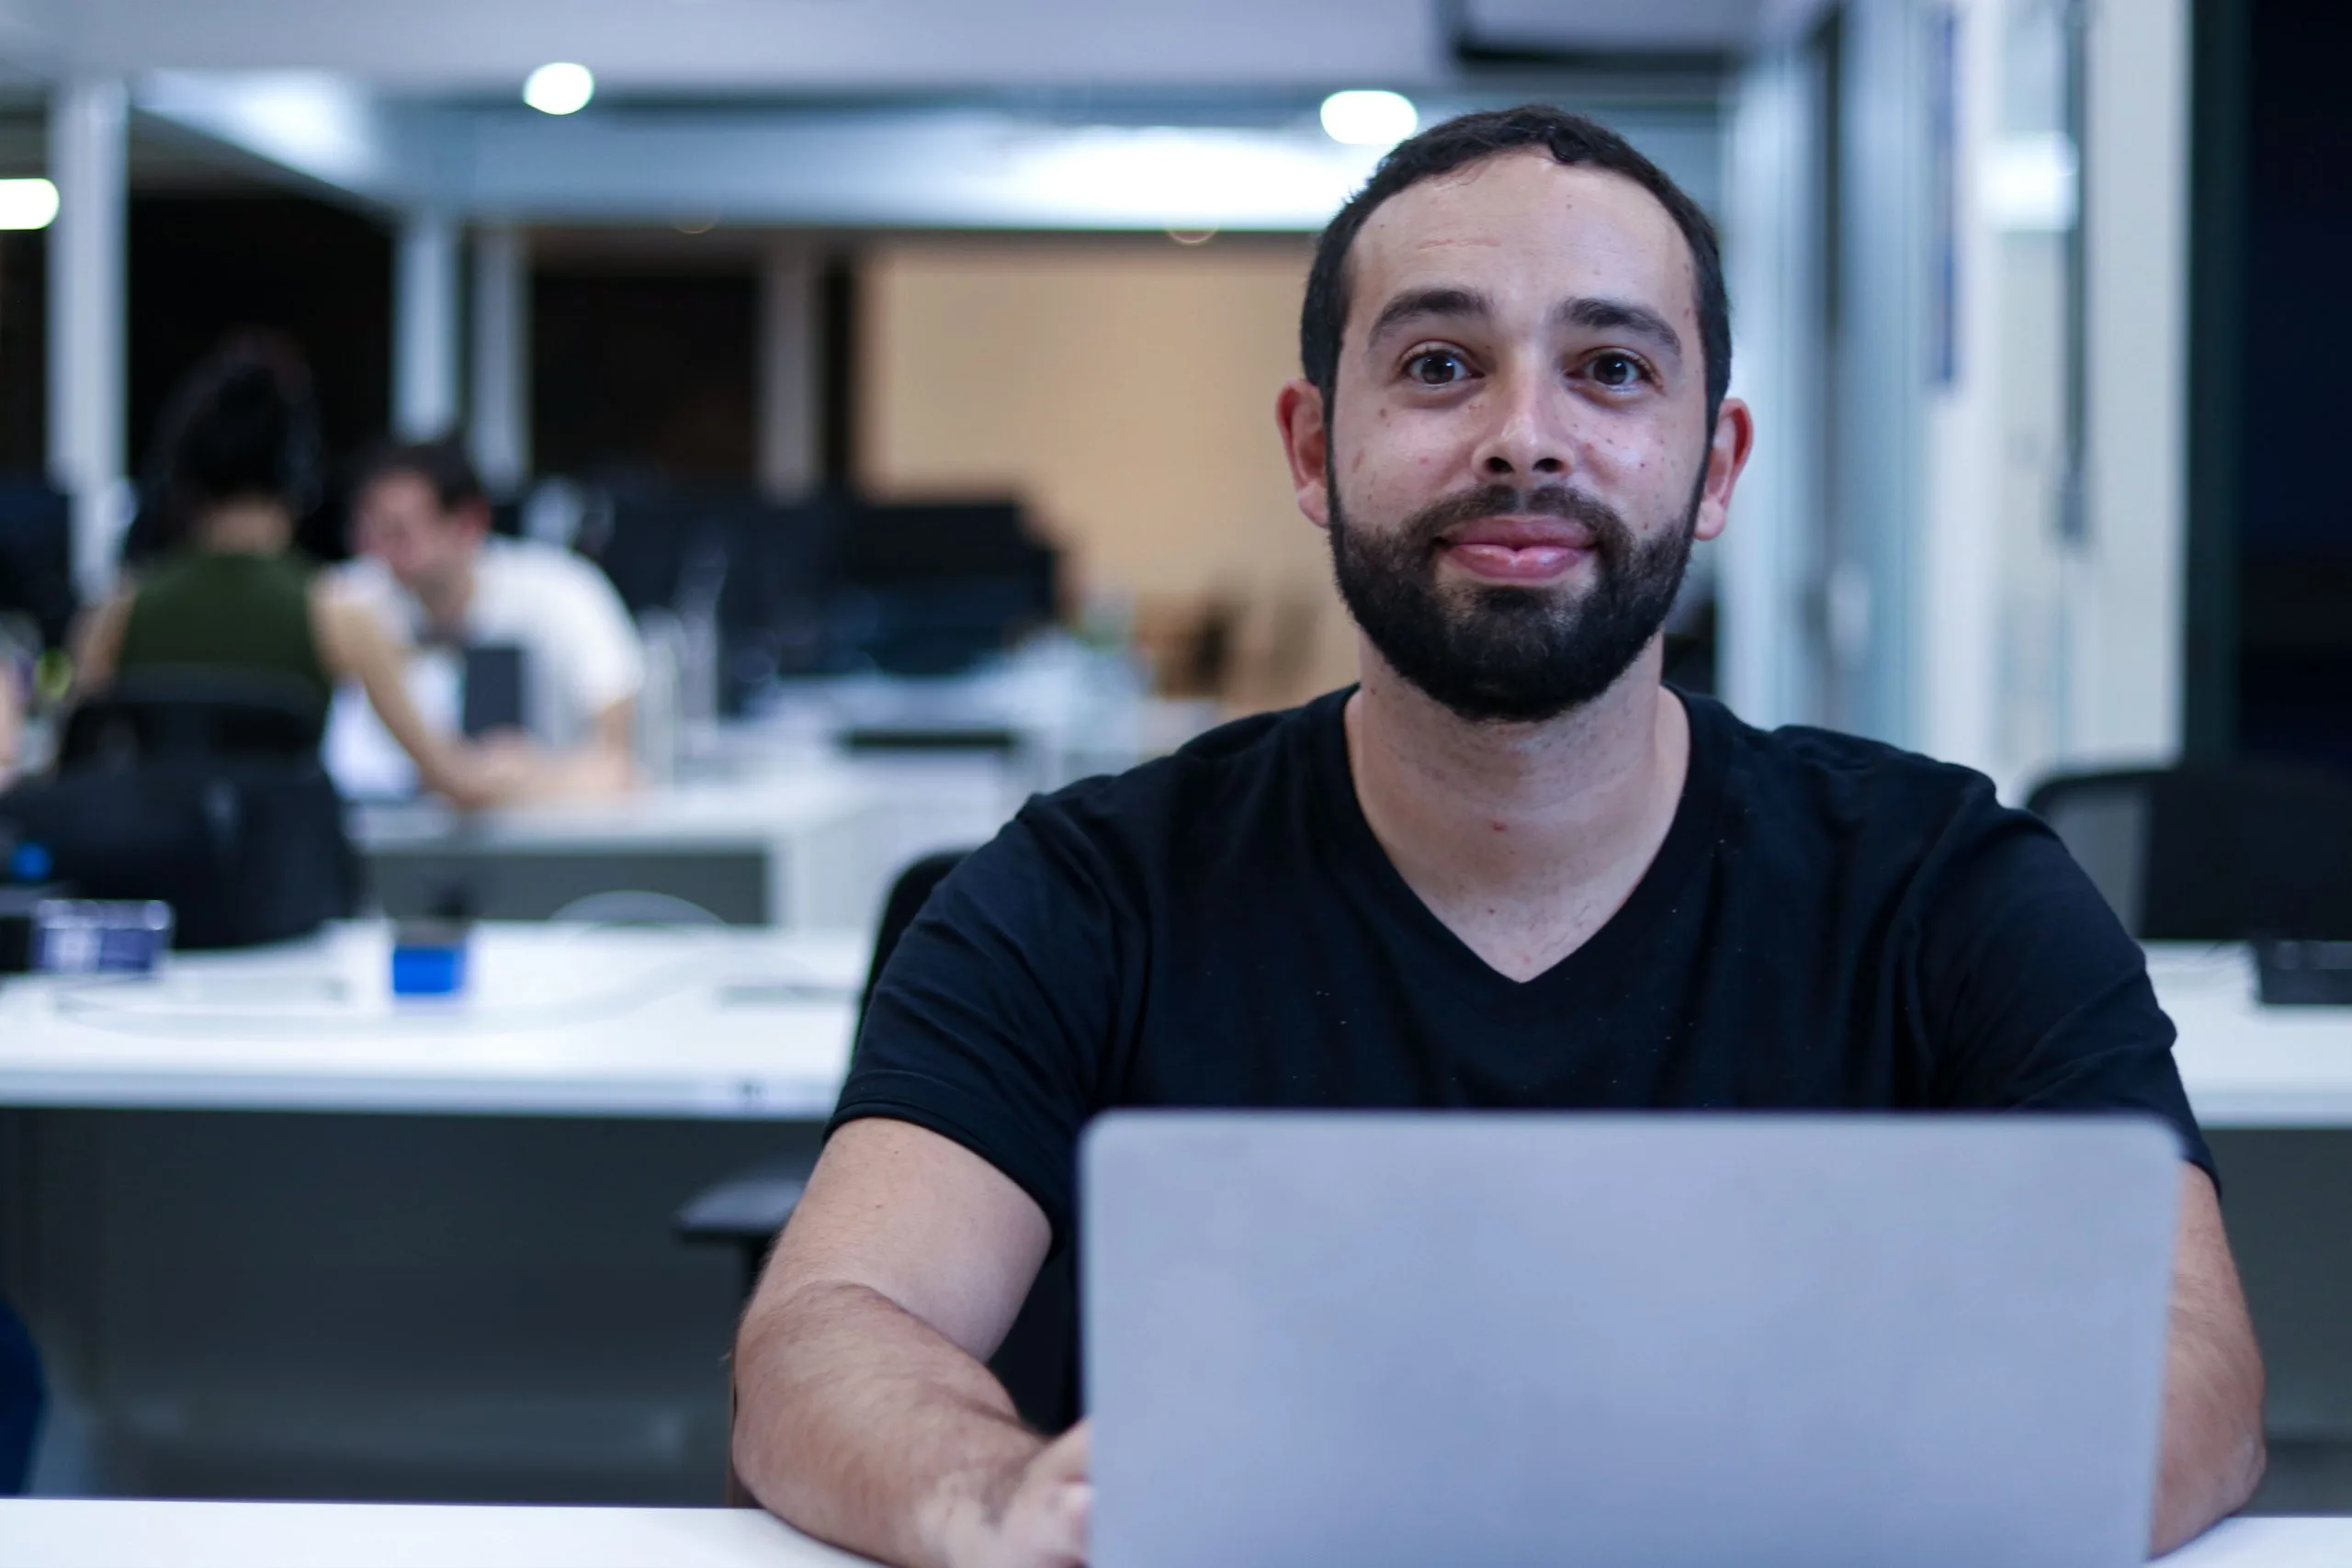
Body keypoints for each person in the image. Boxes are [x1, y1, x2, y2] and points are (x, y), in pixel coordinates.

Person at [729, 107, 2267, 1566]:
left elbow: (2189, 1364)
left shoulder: (1946, 888)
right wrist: (996, 1496)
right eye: (1443, 364)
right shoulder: (1082, 891)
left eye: (1609, 368)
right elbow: (828, 1325)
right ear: (1311, 445)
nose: (1524, 439)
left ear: (1715, 464)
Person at [72, 343, 530, 809]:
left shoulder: (119, 612)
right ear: (298, 476)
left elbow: (70, 769)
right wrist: (517, 772)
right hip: (288, 875)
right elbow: (452, 782)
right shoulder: (335, 611)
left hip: (161, 874)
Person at [339, 438, 642, 799]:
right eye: (372, 533)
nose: (381, 553)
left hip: (547, 842)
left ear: (468, 524)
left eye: (400, 532)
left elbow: (617, 760)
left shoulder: (563, 592)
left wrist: (518, 781)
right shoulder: (353, 602)